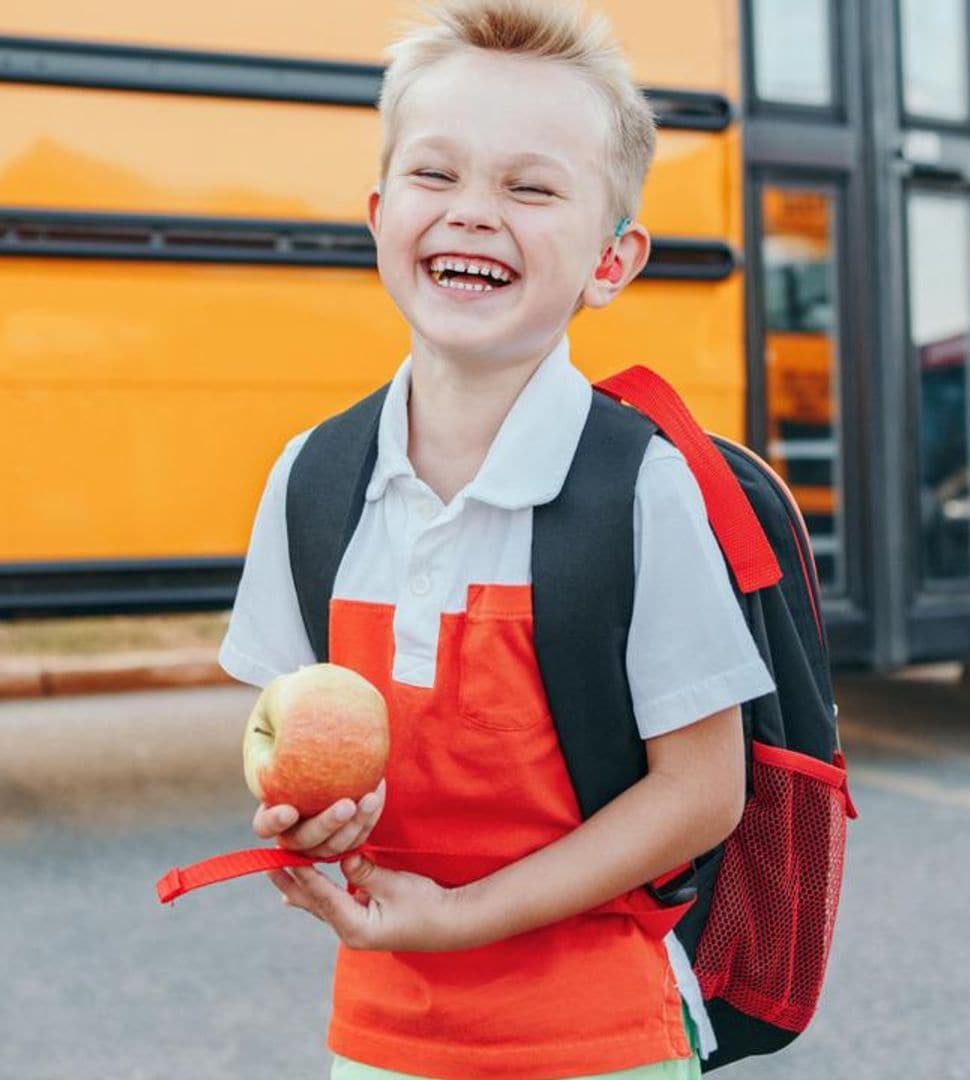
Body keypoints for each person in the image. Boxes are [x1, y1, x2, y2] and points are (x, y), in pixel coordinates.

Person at [218, 1, 776, 1077]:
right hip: (382, 1039)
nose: (473, 212)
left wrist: (464, 916)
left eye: (528, 187)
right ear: (380, 215)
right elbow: (283, 728)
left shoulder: (641, 488)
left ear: (612, 263)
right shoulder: (313, 482)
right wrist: (314, 816)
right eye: (438, 176)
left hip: (603, 1040)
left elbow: (705, 791)